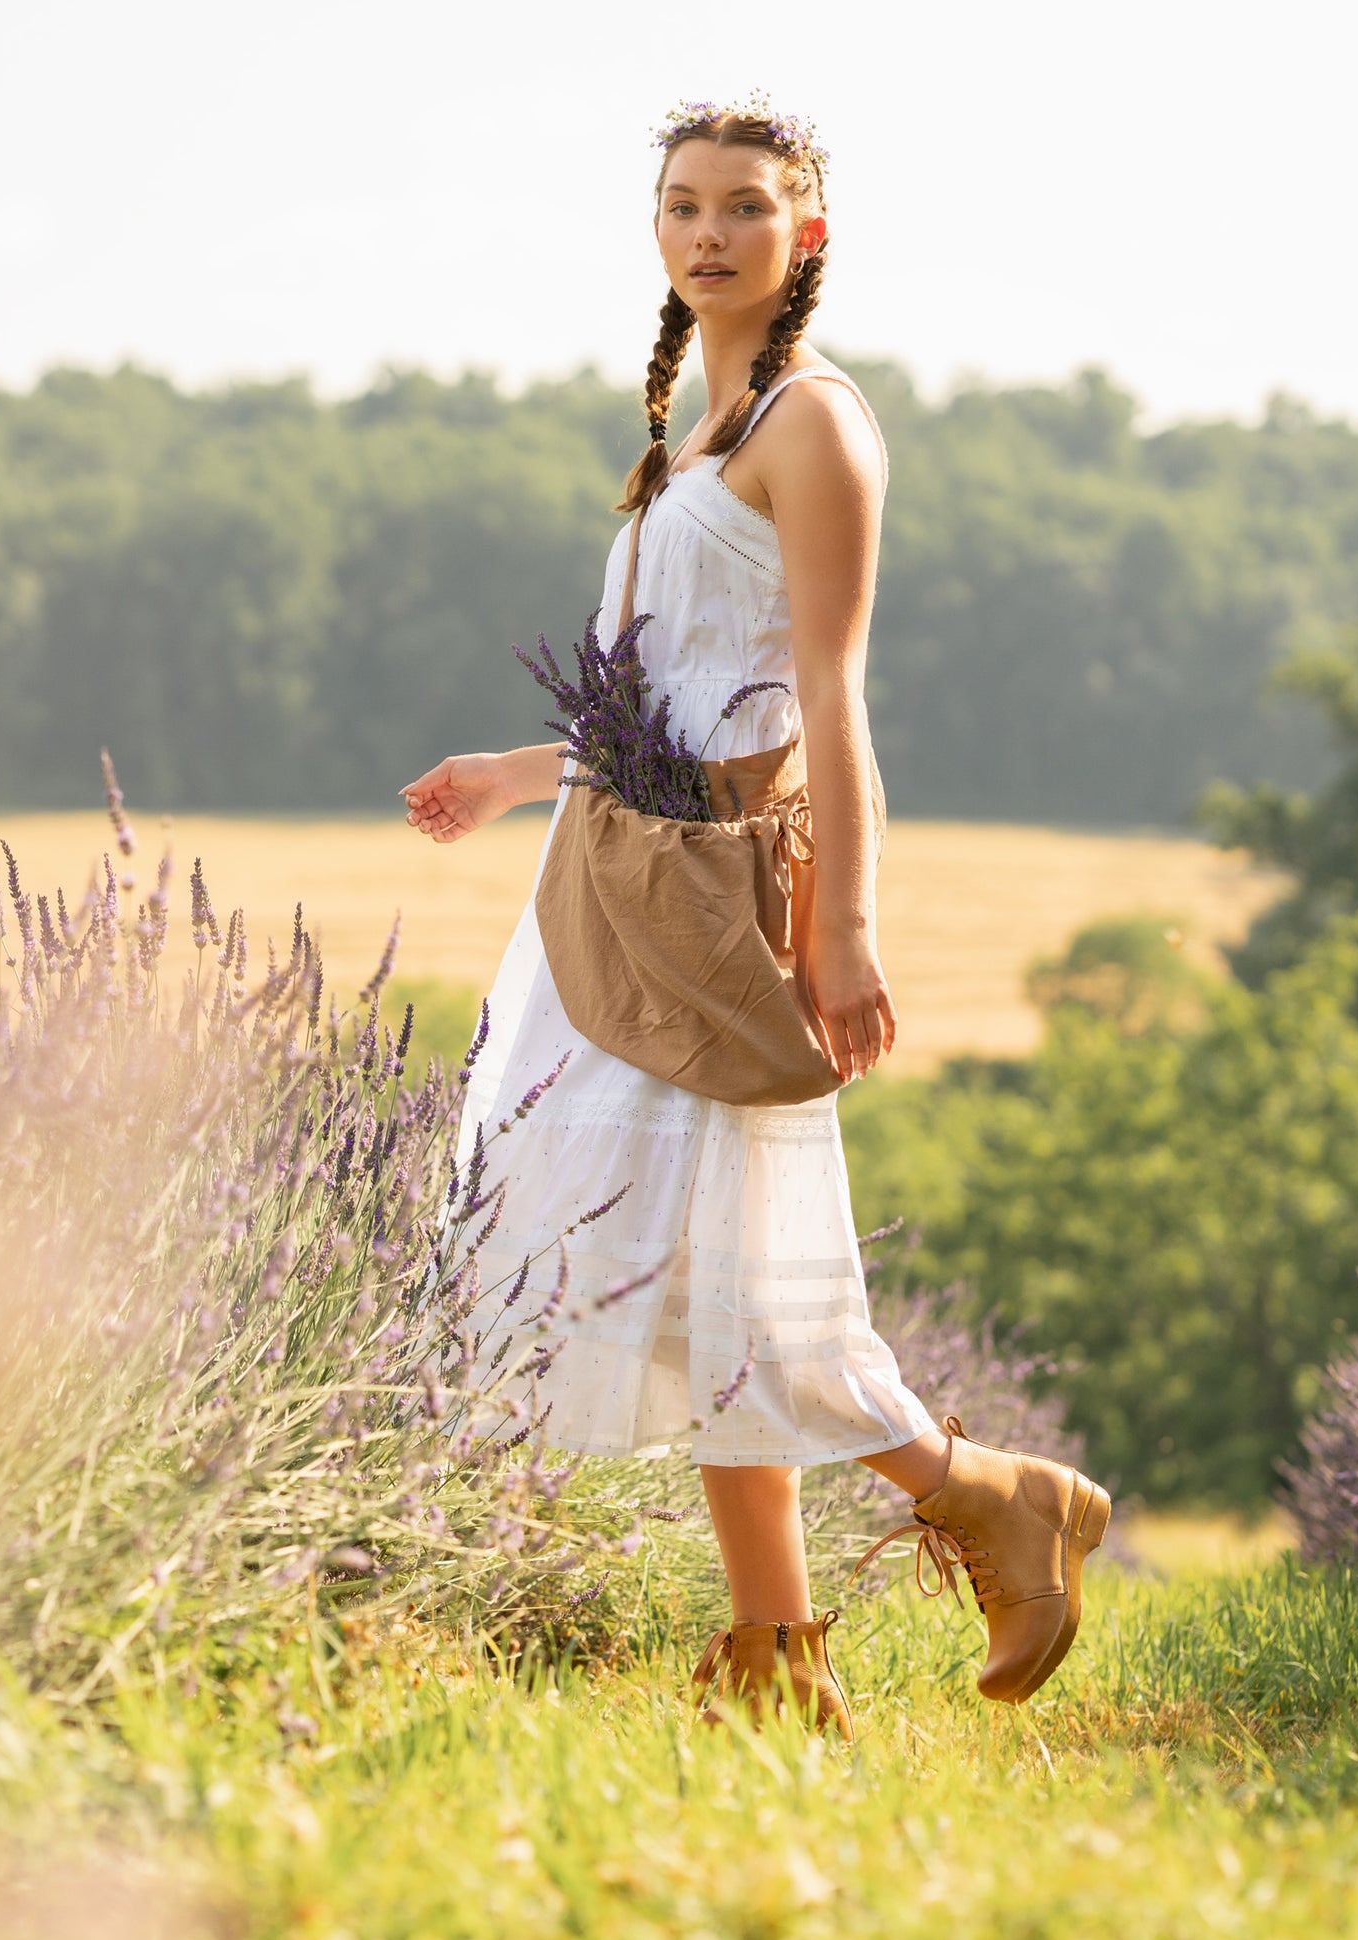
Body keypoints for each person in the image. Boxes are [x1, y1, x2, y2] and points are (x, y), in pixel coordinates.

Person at [402, 96, 1108, 1737]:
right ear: (656, 233)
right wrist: (518, 772)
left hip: (725, 905)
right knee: (665, 1255)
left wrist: (846, 930)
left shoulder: (816, 428)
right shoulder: (687, 436)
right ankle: (782, 1652)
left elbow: (830, 700)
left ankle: (976, 1493)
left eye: (743, 206)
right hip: (602, 885)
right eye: (681, 206)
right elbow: (658, 687)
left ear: (808, 234)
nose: (708, 231)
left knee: (721, 1257)